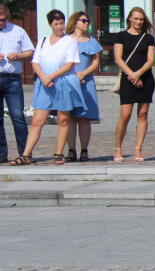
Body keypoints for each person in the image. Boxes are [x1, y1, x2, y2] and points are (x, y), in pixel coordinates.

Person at [13, 10, 86, 165]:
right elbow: (35, 61)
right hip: (44, 83)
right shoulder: (43, 40)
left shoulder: (70, 41)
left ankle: (59, 153)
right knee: (37, 121)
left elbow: (70, 64)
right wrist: (43, 77)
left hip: (63, 82)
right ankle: (26, 154)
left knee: (63, 119)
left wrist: (50, 76)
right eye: (56, 24)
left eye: (61, 23)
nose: (60, 27)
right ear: (50, 25)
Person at [113, 7, 155, 163]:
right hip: (127, 79)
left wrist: (139, 74)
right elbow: (118, 59)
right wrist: (132, 75)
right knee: (125, 115)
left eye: (141, 19)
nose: (138, 22)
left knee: (143, 114)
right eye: (136, 18)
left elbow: (151, 60)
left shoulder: (148, 38)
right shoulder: (121, 36)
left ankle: (138, 148)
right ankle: (118, 148)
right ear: (130, 19)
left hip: (145, 79)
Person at [0, 3, 34, 164]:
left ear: (8, 16)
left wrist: (18, 56)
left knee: (18, 116)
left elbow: (30, 52)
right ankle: (1, 153)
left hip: (12, 79)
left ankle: (25, 153)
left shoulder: (18, 31)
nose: (1, 23)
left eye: (4, 19)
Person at [66, 11, 101, 162]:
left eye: (88, 21)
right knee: (70, 117)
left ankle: (84, 150)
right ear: (75, 23)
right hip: (69, 80)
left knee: (84, 117)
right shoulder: (66, 40)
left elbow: (95, 62)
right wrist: (73, 76)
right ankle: (71, 150)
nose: (87, 23)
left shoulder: (91, 41)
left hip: (86, 82)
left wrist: (83, 74)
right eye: (84, 20)